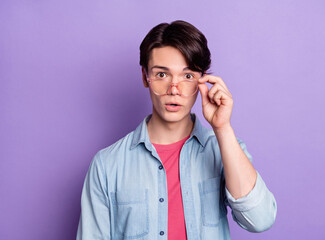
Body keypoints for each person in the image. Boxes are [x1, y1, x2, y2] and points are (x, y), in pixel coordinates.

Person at [76, 20, 277, 240]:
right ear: (146, 77)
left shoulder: (225, 148)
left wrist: (222, 127)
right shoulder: (107, 165)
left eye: (188, 76)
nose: (175, 89)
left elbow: (260, 220)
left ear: (202, 81)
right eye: (162, 75)